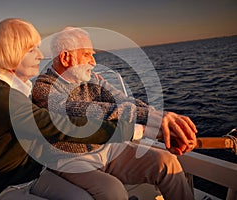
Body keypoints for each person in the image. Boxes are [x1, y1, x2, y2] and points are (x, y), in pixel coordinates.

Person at [0, 18, 135, 200]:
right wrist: (127, 130)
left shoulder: (24, 89)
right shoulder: (0, 97)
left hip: (32, 176)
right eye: (32, 50)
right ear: (11, 53)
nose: (40, 55)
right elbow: (60, 126)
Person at [32, 27, 198, 200]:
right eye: (88, 54)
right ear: (66, 57)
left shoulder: (92, 79)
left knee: (167, 162)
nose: (94, 62)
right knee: (113, 190)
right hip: (70, 160)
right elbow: (86, 112)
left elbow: (122, 101)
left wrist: (159, 118)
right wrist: (149, 119)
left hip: (107, 148)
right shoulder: (43, 88)